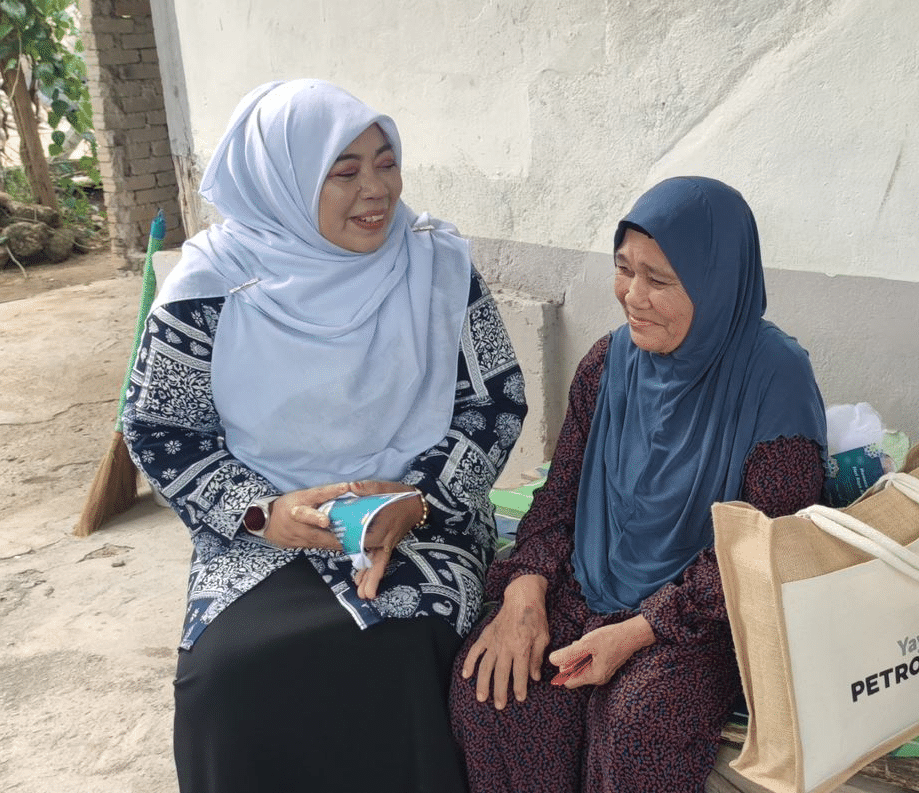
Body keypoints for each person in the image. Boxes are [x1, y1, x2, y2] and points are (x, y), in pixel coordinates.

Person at [122, 79, 526, 792]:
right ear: (284, 179)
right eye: (343, 172)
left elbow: (493, 403)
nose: (376, 190)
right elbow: (161, 431)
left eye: (385, 161)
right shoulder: (213, 283)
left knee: (407, 638)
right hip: (262, 534)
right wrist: (264, 513)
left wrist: (418, 499)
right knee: (226, 675)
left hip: (423, 520)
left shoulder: (436, 263)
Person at [449, 176, 827, 792]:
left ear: (716, 284)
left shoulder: (774, 379)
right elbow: (558, 499)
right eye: (624, 270)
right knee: (494, 692)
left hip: (705, 613)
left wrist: (640, 629)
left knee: (637, 722)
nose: (633, 296)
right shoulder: (607, 364)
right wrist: (525, 588)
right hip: (592, 583)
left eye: (660, 280)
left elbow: (764, 548)